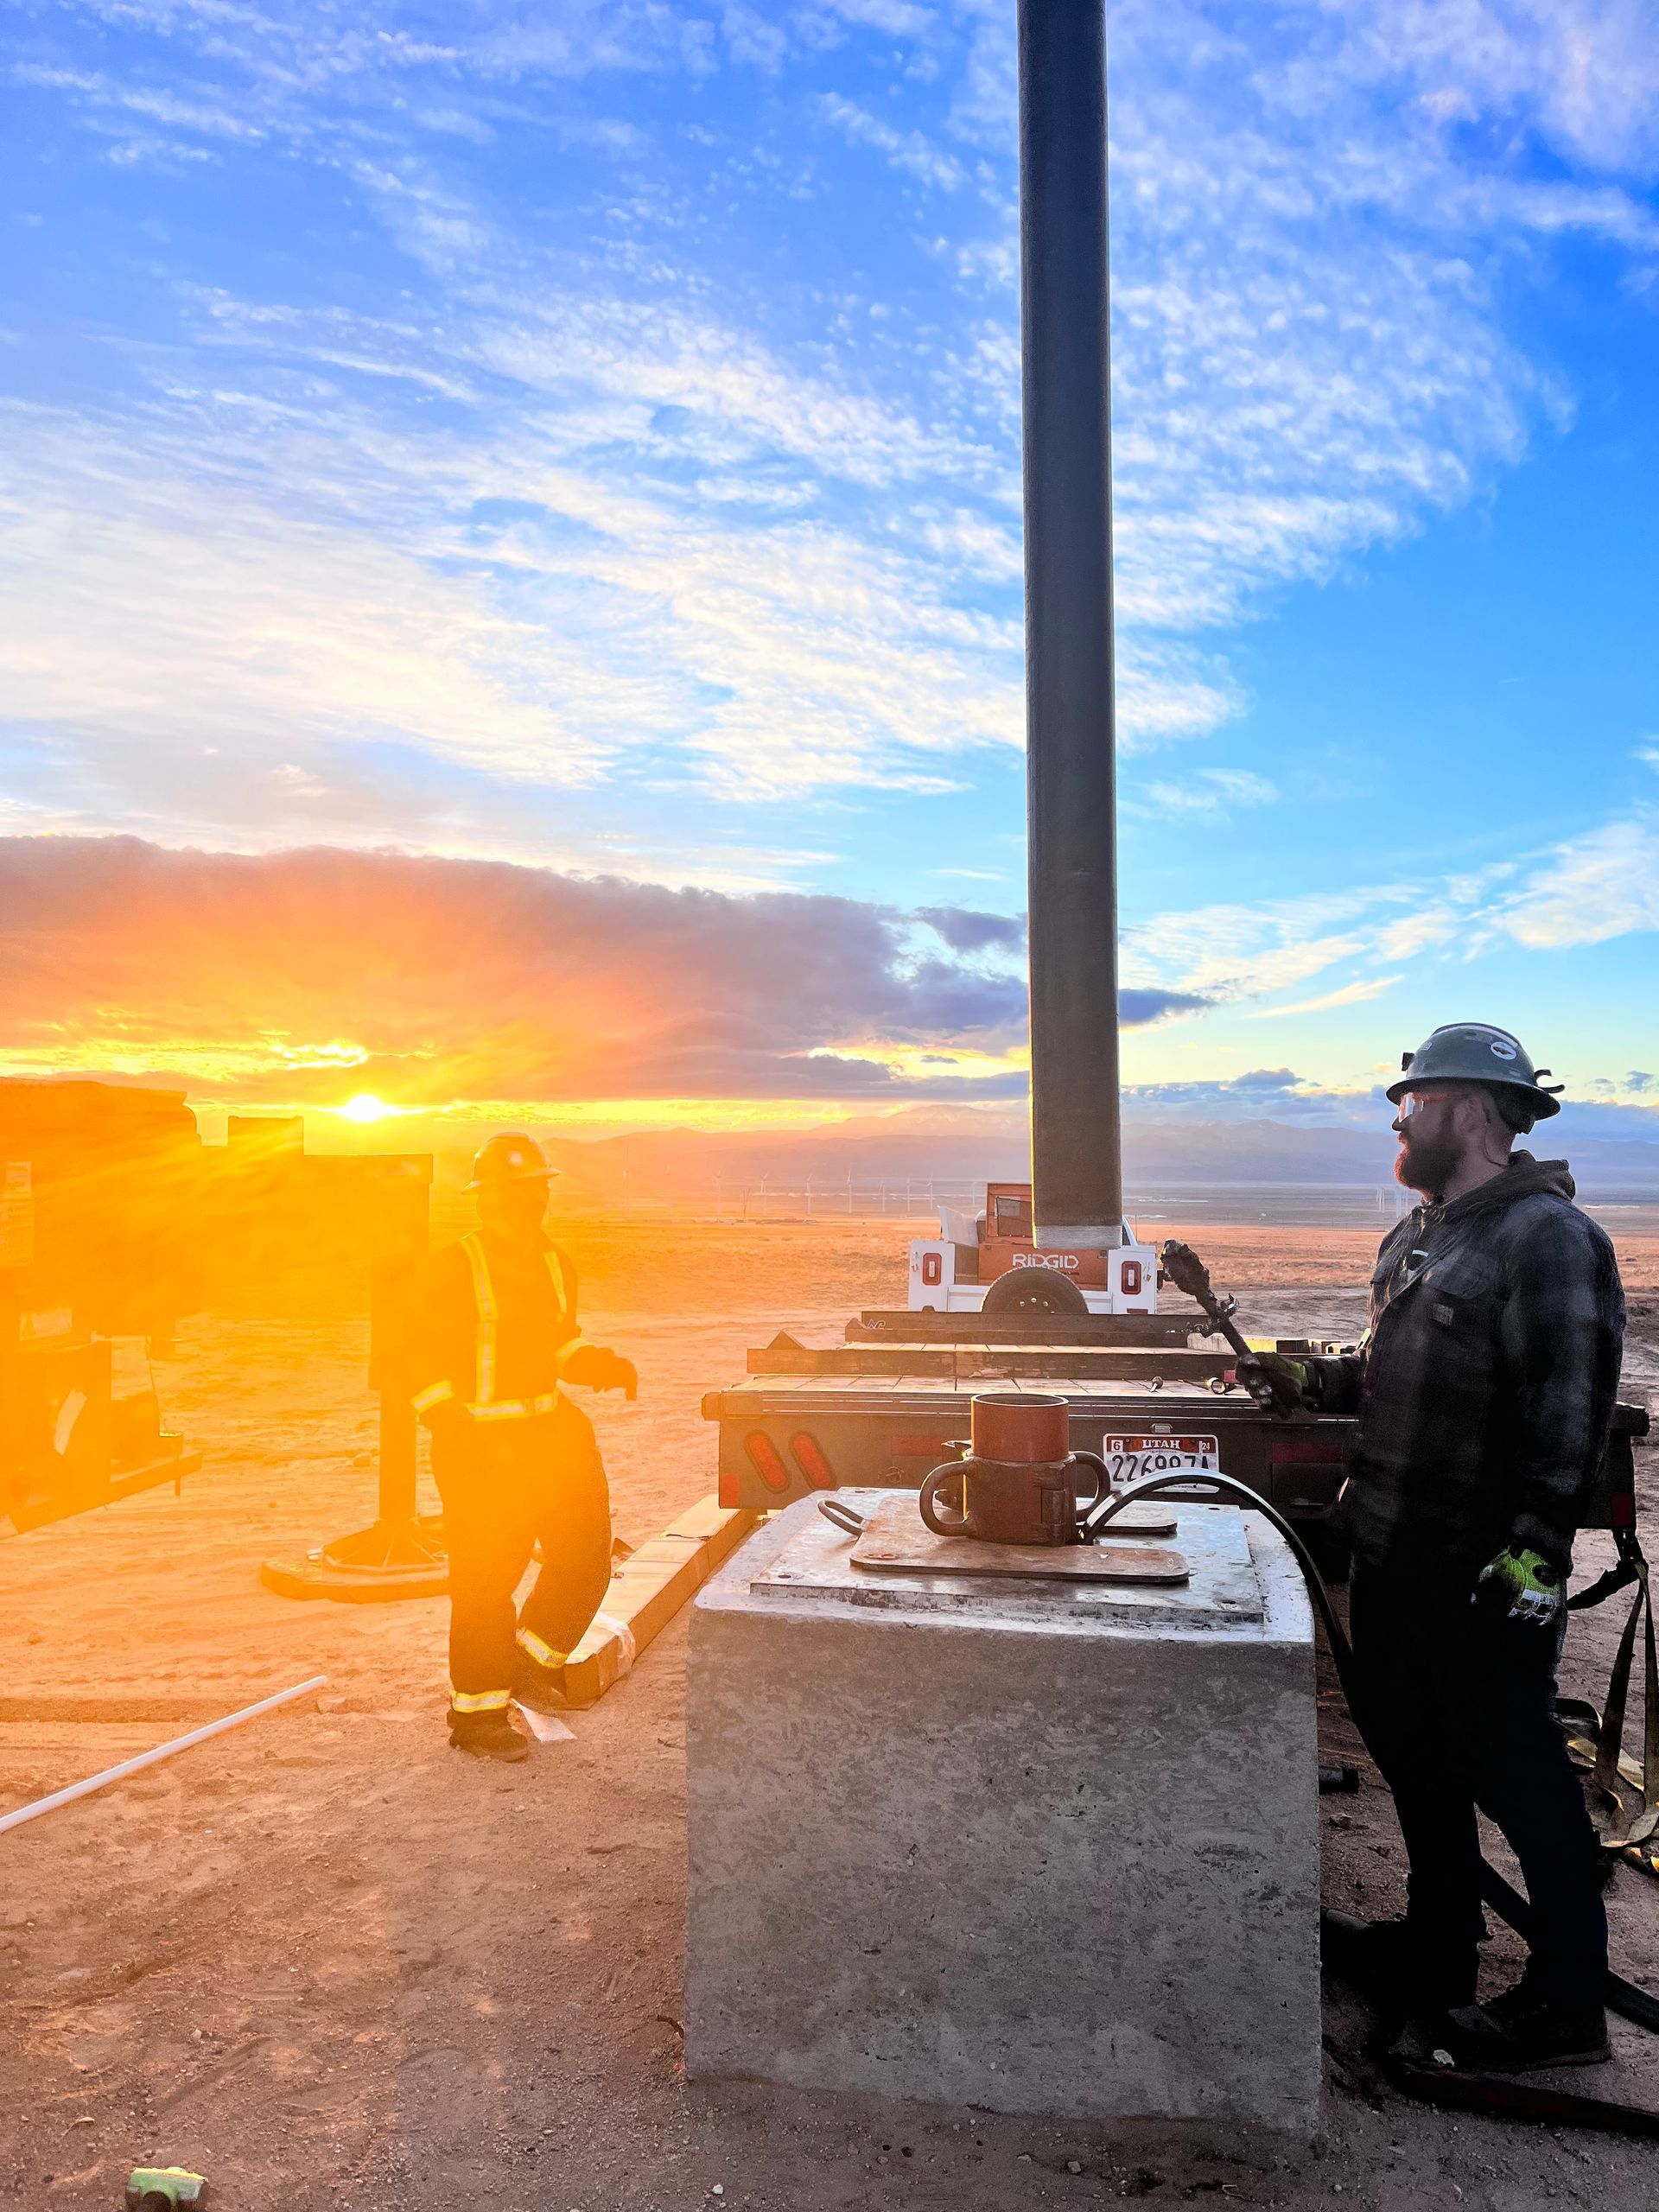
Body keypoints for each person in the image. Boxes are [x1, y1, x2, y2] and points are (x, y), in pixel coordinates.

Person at [1243, 1023, 1625, 2070]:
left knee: (1520, 1773)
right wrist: (1311, 1381)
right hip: (1391, 1551)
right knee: (1411, 1752)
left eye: (1408, 1104)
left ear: (1463, 1107)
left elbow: (1572, 1415)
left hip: (1479, 1572)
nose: (1396, 1120)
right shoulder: (1423, 1233)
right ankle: (1439, 1943)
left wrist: (1535, 1560)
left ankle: (1568, 2004)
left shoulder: (1549, 1240)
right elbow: (1379, 1366)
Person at [407, 1134, 637, 1763]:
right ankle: (476, 1717)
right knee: (485, 1583)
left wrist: (595, 1363)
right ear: (486, 1199)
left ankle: (525, 1664)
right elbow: (414, 1358)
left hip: (551, 1434)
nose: (530, 1201)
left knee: (585, 1561)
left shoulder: (555, 1262)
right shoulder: (452, 1265)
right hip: (480, 1444)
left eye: (538, 1190)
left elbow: (555, 1345)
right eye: (516, 1191)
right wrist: (447, 1421)